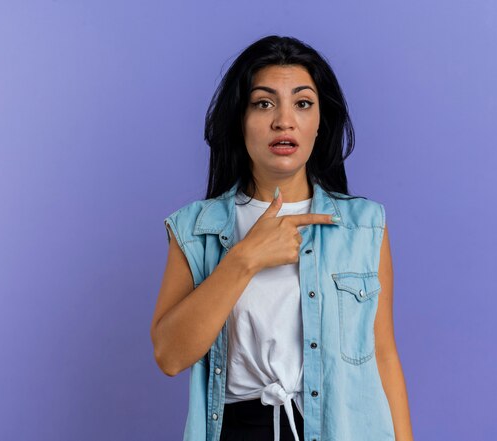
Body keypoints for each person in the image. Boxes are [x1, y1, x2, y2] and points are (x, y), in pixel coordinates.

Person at [150, 35, 414, 441]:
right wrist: (244, 259)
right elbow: (170, 355)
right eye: (264, 103)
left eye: (302, 103)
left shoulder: (363, 226)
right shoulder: (195, 229)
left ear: (320, 122)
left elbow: (384, 355)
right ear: (240, 120)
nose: (284, 121)